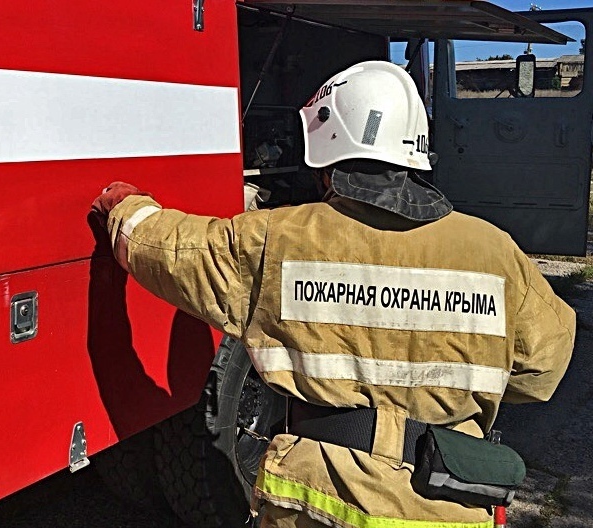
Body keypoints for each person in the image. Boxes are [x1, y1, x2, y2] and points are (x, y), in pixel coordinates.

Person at [91, 60, 575, 528]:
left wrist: (124, 209)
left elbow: (174, 252)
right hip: (448, 497)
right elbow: (541, 372)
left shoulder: (277, 238)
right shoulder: (495, 252)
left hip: (318, 503)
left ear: (325, 157)